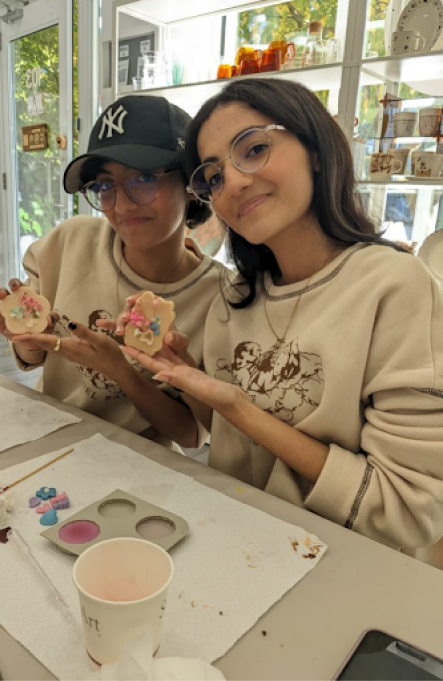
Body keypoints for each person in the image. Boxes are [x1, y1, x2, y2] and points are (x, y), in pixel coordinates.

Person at [124, 79, 443, 551]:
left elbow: (408, 510)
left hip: (340, 561)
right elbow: (224, 436)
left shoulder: (395, 288)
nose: (233, 182)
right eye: (213, 177)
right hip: (231, 537)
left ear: (315, 148)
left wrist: (240, 408)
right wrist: (186, 376)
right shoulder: (235, 298)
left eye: (254, 149)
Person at [0, 95, 225, 450]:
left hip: (139, 464)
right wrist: (27, 339)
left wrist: (121, 371)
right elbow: (36, 358)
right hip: (46, 438)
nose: (123, 205)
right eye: (104, 186)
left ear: (191, 185)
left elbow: (191, 435)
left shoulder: (219, 297)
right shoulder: (70, 243)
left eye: (144, 178)